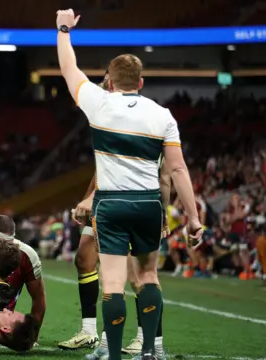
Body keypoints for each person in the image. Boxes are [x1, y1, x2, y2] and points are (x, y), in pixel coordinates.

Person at [55, 8, 202, 360]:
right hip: (150, 204)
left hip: (112, 205)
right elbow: (178, 170)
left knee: (114, 282)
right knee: (148, 275)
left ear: (110, 81)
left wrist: (63, 29)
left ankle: (112, 355)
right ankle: (151, 352)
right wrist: (193, 218)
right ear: (140, 82)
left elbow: (68, 68)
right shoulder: (163, 115)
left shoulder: (99, 103)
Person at [59, 73, 169, 360]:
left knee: (137, 275)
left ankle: (148, 341)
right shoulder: (108, 114)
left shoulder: (141, 117)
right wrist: (87, 200)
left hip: (133, 203)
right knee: (84, 257)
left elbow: (164, 173)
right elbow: (103, 169)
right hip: (107, 200)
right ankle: (90, 331)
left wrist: (166, 215)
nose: (105, 84)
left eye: (109, 80)